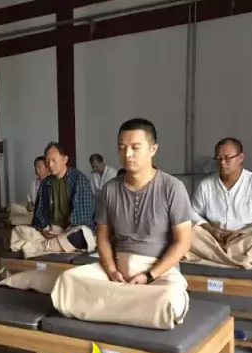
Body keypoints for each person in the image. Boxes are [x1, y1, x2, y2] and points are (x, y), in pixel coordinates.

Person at [51, 118, 191, 328]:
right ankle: (129, 305)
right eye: (122, 148)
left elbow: (183, 243)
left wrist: (149, 276)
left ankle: (112, 305)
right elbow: (103, 238)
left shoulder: (173, 188)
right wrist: (111, 269)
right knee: (66, 281)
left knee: (170, 299)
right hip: (116, 270)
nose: (127, 155)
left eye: (135, 148)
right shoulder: (110, 189)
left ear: (153, 149)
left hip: (157, 273)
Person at [187, 137, 252, 268]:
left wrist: (240, 233)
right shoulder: (206, 185)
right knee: (188, 232)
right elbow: (192, 212)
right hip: (215, 239)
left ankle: (216, 259)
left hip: (244, 239)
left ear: (240, 158)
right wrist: (211, 229)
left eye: (227, 158)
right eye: (218, 158)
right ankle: (234, 261)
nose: (223, 163)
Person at [10, 142, 95, 258]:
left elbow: (82, 216)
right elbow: (39, 213)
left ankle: (40, 248)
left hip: (71, 230)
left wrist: (63, 232)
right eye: (47, 161)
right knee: (17, 231)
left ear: (65, 159)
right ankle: (52, 246)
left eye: (54, 160)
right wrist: (45, 228)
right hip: (52, 231)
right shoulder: (46, 182)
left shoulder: (78, 179)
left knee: (82, 235)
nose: (50, 164)